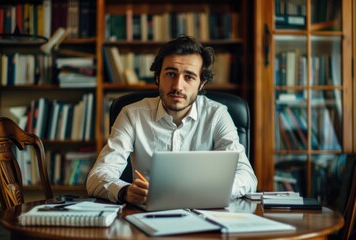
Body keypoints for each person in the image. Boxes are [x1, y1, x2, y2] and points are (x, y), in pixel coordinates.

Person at [86, 35, 257, 204]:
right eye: (170, 74)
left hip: (206, 214)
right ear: (157, 77)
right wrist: (124, 191)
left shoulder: (217, 115)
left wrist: (209, 192)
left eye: (189, 77)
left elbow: (247, 176)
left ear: (202, 84)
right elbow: (97, 176)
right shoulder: (132, 114)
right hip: (147, 217)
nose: (177, 86)